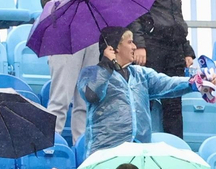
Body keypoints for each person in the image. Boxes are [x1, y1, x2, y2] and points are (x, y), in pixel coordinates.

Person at [40, 0, 113, 142]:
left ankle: (82, 148)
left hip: (90, 39)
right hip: (64, 40)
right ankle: (51, 148)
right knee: (60, 99)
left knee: (85, 100)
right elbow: (46, 4)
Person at [79, 26, 200, 154]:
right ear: (115, 47)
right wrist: (105, 66)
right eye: (130, 42)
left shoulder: (140, 74)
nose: (135, 47)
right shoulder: (90, 74)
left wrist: (196, 82)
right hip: (105, 156)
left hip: (139, 156)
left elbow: (168, 83)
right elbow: (92, 94)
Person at [130, 0, 195, 140]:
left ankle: (177, 148)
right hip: (152, 47)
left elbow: (178, 17)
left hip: (174, 50)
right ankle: (140, 148)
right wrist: (139, 45)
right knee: (144, 101)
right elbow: (134, 13)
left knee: (174, 103)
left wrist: (186, 49)